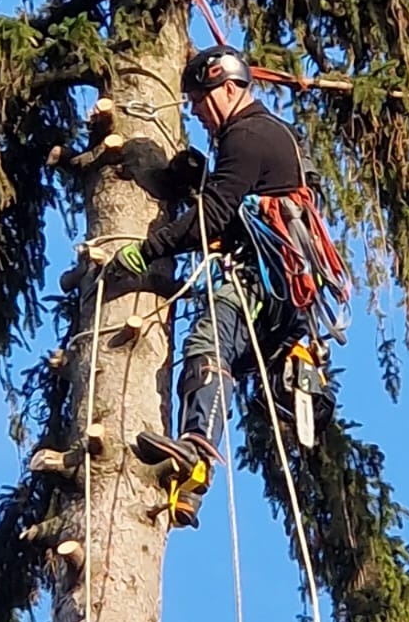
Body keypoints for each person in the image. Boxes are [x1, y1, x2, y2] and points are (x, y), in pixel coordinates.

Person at [110, 45, 338, 527]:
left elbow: (213, 216)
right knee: (220, 346)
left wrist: (150, 248)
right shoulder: (269, 135)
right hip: (287, 297)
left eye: (200, 98)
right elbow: (233, 203)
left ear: (230, 86)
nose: (196, 111)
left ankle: (196, 452)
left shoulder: (249, 135)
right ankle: (186, 491)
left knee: (207, 339)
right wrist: (195, 184)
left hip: (261, 279)